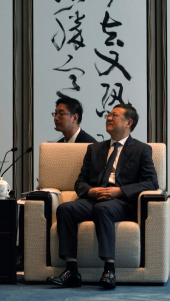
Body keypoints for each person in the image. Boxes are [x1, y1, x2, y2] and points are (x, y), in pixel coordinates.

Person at [47, 103, 158, 290]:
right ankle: (71, 271)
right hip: (93, 198)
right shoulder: (94, 149)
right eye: (109, 115)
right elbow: (80, 182)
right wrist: (91, 191)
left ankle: (109, 270)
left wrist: (120, 191)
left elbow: (151, 182)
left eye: (115, 115)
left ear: (128, 122)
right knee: (65, 209)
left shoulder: (141, 149)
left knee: (103, 209)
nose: (109, 118)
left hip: (121, 202)